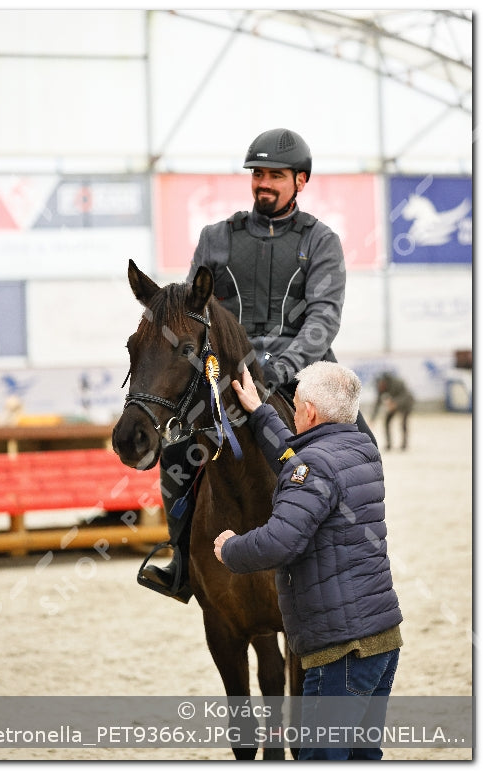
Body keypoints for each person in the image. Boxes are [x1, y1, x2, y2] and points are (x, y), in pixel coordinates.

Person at [141, 128, 375, 600]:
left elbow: (323, 316)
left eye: (275, 175)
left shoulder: (321, 240)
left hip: (302, 371)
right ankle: (182, 563)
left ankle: (357, 560)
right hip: (225, 373)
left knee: (363, 447)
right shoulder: (216, 238)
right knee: (175, 456)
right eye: (258, 174)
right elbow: (193, 310)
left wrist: (280, 367)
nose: (263, 183)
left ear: (300, 181)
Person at [214, 361, 402, 760]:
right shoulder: (360, 448)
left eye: (296, 404)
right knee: (362, 757)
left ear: (310, 412)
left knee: (318, 758)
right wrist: (262, 411)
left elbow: (280, 540)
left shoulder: (314, 465)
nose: (294, 410)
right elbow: (298, 465)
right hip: (381, 640)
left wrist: (230, 548)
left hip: (342, 651)